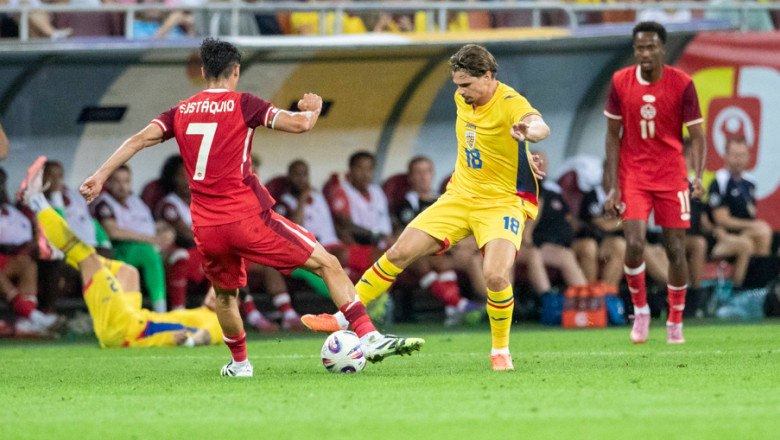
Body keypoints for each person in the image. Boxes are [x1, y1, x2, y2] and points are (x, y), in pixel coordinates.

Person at [80, 38, 423, 377]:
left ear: (203, 71)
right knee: (328, 263)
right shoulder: (244, 104)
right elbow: (300, 124)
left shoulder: (180, 111)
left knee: (226, 296)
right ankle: (370, 336)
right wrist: (313, 108)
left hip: (207, 227)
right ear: (236, 71)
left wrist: (99, 175)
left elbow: (137, 140)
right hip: (247, 218)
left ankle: (240, 364)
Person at [303, 44, 550, 371]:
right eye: (456, 84)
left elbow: (539, 125)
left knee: (495, 276)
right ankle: (342, 317)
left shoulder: (510, 103)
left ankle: (500, 351)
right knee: (396, 253)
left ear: (488, 76)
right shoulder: (463, 99)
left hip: (502, 203)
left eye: (466, 85)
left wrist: (527, 133)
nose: (460, 92)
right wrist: (519, 158)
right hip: (459, 197)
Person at [20, 157, 222, 348]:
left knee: (85, 255)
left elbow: (205, 336)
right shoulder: (200, 311)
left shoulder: (220, 323)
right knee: (128, 272)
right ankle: (60, 250)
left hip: (125, 329)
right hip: (135, 318)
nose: (218, 294)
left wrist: (187, 341)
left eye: (227, 295)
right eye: (218, 289)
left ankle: (35, 201)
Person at [603, 21, 706, 344]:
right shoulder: (620, 82)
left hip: (671, 174)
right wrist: (613, 186)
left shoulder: (682, 84)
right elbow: (612, 136)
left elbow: (698, 137)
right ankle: (641, 310)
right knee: (634, 244)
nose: (644, 53)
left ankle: (675, 320)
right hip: (633, 174)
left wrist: (698, 175)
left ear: (662, 48)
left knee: (676, 250)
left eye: (650, 47)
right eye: (639, 48)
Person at [92, 164, 169, 313]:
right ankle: (160, 311)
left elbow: (150, 225)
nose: (122, 186)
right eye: (117, 181)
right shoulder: (104, 203)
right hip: (117, 251)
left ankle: (163, 310)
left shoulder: (136, 201)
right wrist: (150, 239)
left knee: (167, 254)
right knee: (148, 252)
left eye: (126, 181)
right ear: (108, 183)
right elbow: (113, 232)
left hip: (148, 246)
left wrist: (166, 232)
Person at [0, 166, 63, 336]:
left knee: (28, 264)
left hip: (10, 257)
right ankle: (33, 315)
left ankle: (26, 321)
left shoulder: (13, 212)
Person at [708, 137, 774, 258]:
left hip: (744, 232)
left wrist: (753, 225)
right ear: (726, 155)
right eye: (735, 155)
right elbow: (722, 219)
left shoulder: (750, 183)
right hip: (723, 236)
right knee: (760, 233)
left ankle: (760, 273)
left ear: (749, 156)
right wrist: (751, 225)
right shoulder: (720, 181)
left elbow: (750, 213)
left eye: (742, 155)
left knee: (764, 232)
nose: (739, 160)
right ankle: (759, 274)